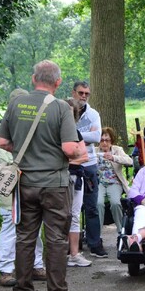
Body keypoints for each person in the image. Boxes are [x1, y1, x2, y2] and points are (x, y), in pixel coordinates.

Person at [0, 60, 85, 291]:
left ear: (33, 78)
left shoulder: (16, 103)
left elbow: (3, 141)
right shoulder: (60, 108)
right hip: (55, 185)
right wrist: (76, 151)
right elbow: (69, 148)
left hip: (24, 182)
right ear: (57, 83)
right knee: (56, 240)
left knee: (25, 238)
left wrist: (29, 152)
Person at [0, 88, 46, 286]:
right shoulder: (1, 128)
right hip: (11, 184)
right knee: (9, 224)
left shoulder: (30, 126)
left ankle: (36, 265)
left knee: (35, 223)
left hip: (31, 183)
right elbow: (5, 157)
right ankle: (6, 269)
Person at [71, 81, 107, 258]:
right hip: (70, 165)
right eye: (80, 93)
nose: (83, 96)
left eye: (87, 93)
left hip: (90, 164)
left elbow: (96, 137)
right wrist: (84, 137)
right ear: (73, 93)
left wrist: (73, 135)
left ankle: (94, 243)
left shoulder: (93, 114)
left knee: (92, 206)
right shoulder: (65, 110)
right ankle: (71, 246)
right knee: (70, 208)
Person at [64, 98, 92, 268]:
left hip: (75, 179)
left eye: (70, 111)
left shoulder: (76, 133)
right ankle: (59, 254)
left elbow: (84, 157)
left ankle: (74, 254)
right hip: (56, 180)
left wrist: (66, 162)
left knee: (74, 215)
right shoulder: (51, 132)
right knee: (58, 216)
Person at [95, 127, 132, 235]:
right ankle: (98, 235)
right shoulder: (95, 151)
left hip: (115, 182)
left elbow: (129, 161)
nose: (104, 143)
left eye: (107, 140)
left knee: (115, 203)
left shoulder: (117, 150)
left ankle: (121, 232)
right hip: (99, 183)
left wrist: (114, 158)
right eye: (102, 140)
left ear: (112, 141)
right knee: (98, 203)